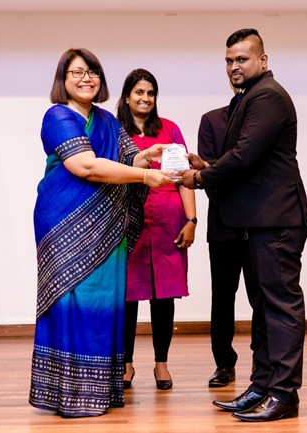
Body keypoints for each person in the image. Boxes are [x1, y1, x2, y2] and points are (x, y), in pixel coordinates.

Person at [29, 49, 173, 418]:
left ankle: (99, 389)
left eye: (92, 72)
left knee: (104, 298)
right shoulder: (57, 116)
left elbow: (124, 163)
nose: (86, 78)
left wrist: (148, 155)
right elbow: (87, 165)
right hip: (64, 224)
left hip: (107, 227)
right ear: (63, 79)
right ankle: (68, 391)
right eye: (77, 72)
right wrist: (143, 175)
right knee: (71, 299)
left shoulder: (108, 121)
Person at [179, 28, 307, 422]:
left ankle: (284, 395)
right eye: (228, 60)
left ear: (263, 61)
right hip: (258, 221)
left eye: (242, 59)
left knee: (280, 308)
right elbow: (239, 158)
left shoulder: (267, 95)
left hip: (277, 219)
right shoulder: (247, 98)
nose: (234, 66)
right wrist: (208, 166)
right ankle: (261, 386)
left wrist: (201, 179)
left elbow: (244, 156)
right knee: (264, 309)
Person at [116, 68, 196, 391]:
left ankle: (161, 364)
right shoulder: (115, 130)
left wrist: (191, 220)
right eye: (139, 93)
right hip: (127, 222)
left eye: (151, 93)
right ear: (126, 97)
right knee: (127, 296)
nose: (146, 99)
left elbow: (185, 177)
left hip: (167, 222)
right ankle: (126, 363)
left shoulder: (170, 129)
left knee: (165, 296)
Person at [197, 104, 253, 388]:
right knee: (222, 297)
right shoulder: (211, 120)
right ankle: (223, 364)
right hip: (223, 222)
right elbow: (207, 172)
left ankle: (263, 361)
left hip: (258, 223)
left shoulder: (259, 118)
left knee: (262, 297)